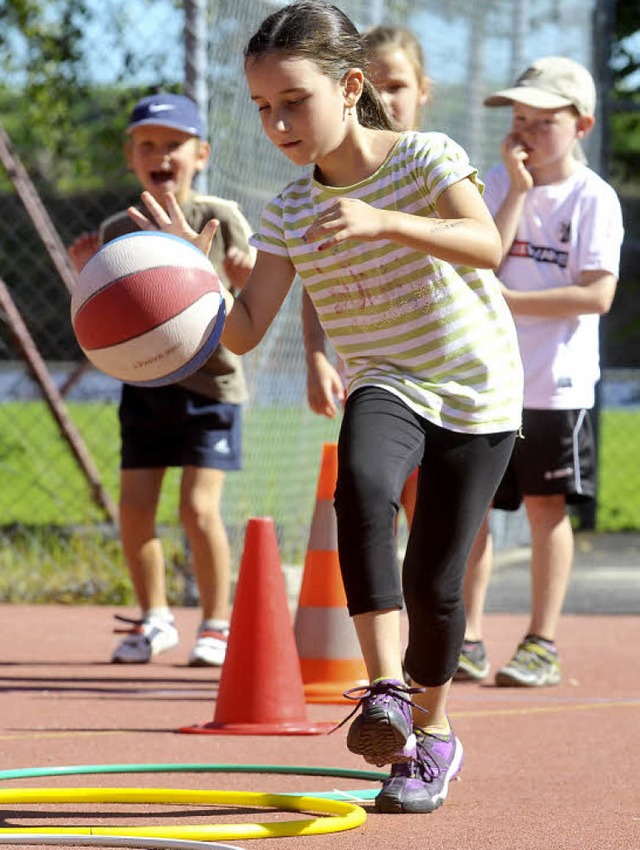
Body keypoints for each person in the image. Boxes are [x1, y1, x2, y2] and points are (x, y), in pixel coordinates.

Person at [131, 0, 523, 815]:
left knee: (437, 584)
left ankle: (435, 733)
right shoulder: (288, 211)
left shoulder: (424, 156)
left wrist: (384, 220)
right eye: (264, 108)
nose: (277, 124)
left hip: (479, 386)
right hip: (388, 378)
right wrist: (185, 280)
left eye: (293, 102)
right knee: (361, 485)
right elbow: (239, 333)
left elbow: (487, 245)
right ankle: (384, 693)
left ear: (350, 88)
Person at [68, 92, 254, 667]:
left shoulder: (220, 217)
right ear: (132, 156)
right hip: (145, 384)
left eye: (175, 144)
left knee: (198, 510)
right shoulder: (115, 226)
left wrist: (239, 275)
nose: (162, 154)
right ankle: (155, 618)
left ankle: (217, 624)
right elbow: (113, 313)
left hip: (212, 385)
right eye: (148, 144)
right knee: (134, 509)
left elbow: (247, 302)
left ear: (201, 153)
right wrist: (86, 277)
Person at [455, 57, 623, 686]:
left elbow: (597, 294)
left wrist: (513, 303)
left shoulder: (593, 197)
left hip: (556, 382)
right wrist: (519, 191)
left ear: (580, 124)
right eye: (517, 118)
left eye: (541, 120)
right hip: (488, 379)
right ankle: (466, 637)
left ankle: (540, 642)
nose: (523, 131)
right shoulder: (496, 186)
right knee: (472, 510)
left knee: (546, 509)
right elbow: (484, 260)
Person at [302, 23, 431, 528]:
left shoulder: (436, 167)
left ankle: (465, 610)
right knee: (377, 501)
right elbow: (318, 271)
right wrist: (315, 353)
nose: (386, 99)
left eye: (397, 85)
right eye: (375, 86)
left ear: (423, 92)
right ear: (352, 91)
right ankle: (389, 604)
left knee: (445, 530)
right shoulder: (337, 181)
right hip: (379, 376)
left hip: (445, 377)